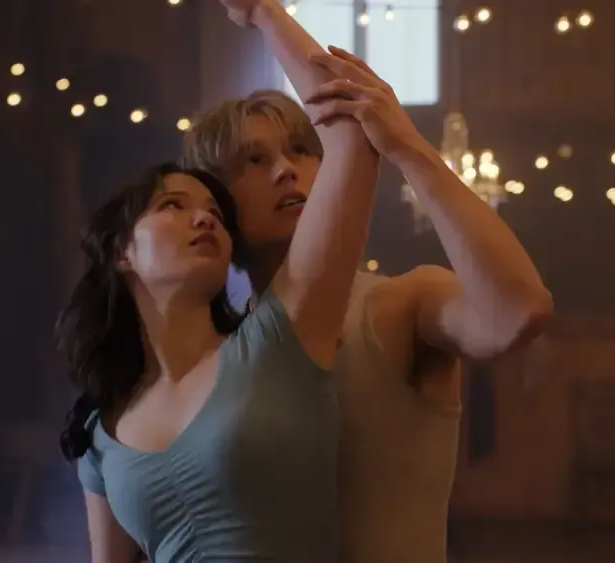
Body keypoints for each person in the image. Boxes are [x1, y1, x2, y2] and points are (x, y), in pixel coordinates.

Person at [183, 2, 555, 562]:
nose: (285, 170)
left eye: (302, 150)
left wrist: (408, 148)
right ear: (217, 201)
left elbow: (519, 312)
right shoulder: (220, 344)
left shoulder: (400, 304)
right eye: (253, 161)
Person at [56, 10, 380, 558]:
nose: (204, 218)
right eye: (173, 206)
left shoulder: (278, 342)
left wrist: (263, 13)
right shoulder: (102, 425)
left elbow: (349, 130)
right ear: (121, 252)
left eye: (214, 211)